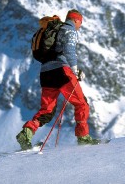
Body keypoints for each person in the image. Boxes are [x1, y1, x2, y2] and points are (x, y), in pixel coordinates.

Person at [16, 9, 99, 150]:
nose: (80, 26)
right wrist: (75, 70)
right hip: (63, 71)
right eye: (80, 23)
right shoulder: (69, 29)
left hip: (46, 72)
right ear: (76, 20)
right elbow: (69, 50)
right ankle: (83, 136)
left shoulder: (56, 30)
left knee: (47, 110)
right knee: (81, 104)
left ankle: (27, 132)